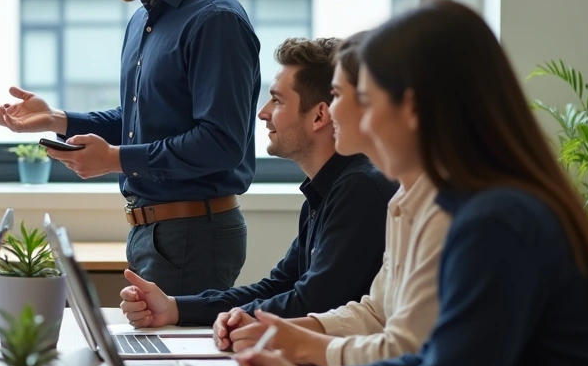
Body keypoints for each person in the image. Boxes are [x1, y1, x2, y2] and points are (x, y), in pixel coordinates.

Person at [236, 0, 588, 366]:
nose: (356, 114)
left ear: (412, 108)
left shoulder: (494, 218)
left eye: (366, 96)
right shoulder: (480, 202)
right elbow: (428, 365)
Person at [0, 0, 260, 296]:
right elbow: (141, 118)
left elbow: (220, 142)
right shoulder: (144, 19)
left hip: (194, 234)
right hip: (154, 231)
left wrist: (116, 159)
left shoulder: (215, 20)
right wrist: (58, 120)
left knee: (168, 361)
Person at [119, 37, 396, 327]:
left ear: (319, 116)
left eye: (277, 100)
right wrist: (175, 308)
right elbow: (278, 286)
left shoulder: (359, 189)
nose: (263, 113)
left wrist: (237, 319)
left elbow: (313, 301)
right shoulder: (327, 189)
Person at [216, 32, 451, 366]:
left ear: (407, 107)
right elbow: (374, 313)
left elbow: (406, 352)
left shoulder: (431, 205)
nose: (333, 112)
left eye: (342, 96)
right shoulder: (404, 199)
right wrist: (281, 334)